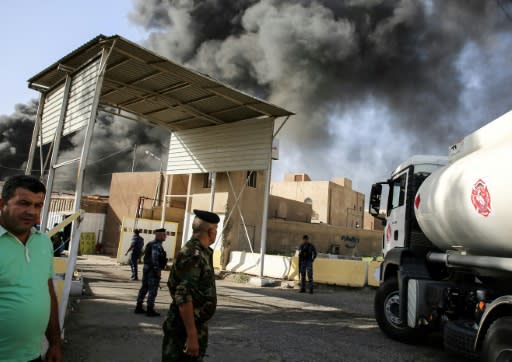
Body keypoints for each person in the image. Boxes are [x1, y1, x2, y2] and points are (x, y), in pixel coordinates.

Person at [0, 175, 62, 361]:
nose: (31, 211)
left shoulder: (43, 242)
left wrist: (55, 342)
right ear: (2, 204)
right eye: (24, 203)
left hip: (33, 355)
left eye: (38, 205)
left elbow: (48, 291)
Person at [162, 209, 220, 361]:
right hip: (183, 329)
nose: (216, 233)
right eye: (216, 230)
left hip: (194, 325)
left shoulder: (203, 252)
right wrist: (192, 334)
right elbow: (183, 294)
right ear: (210, 231)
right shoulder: (193, 254)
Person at [134, 227, 167, 317]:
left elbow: (144, 254)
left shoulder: (151, 243)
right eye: (164, 235)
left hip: (147, 268)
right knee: (152, 290)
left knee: (144, 288)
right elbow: (154, 258)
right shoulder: (156, 245)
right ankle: (150, 309)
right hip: (152, 270)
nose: (165, 237)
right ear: (159, 235)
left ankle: (139, 306)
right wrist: (157, 270)